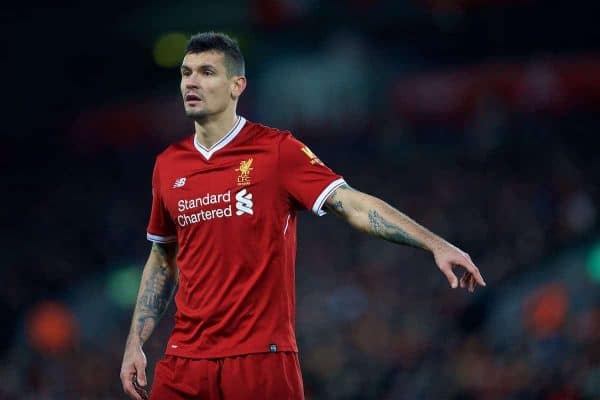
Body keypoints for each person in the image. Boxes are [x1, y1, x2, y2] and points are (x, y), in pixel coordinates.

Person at [120, 31, 486, 400]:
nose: (192, 82)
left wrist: (433, 243)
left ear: (237, 86)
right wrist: (135, 342)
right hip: (185, 362)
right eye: (186, 72)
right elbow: (163, 257)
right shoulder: (168, 165)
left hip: (260, 360)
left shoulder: (277, 151)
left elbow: (354, 205)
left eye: (207, 72)